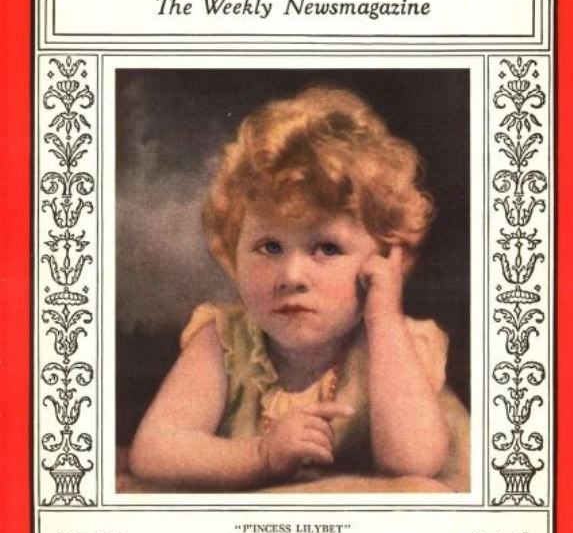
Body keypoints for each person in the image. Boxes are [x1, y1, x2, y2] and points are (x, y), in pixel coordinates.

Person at [128, 85, 469, 493]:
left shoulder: (396, 343)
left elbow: (413, 462)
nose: (291, 275)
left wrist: (383, 316)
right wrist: (260, 456)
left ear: (382, 260)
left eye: (327, 248)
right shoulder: (224, 340)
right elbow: (154, 450)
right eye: (269, 247)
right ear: (233, 251)